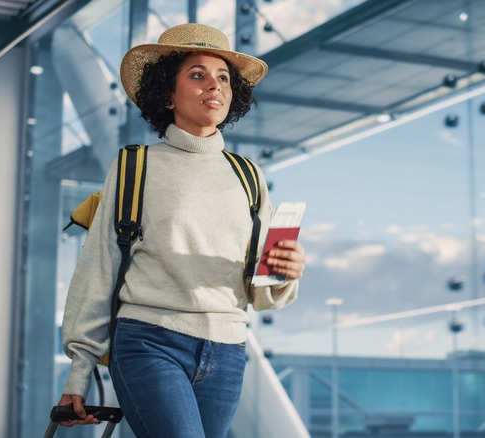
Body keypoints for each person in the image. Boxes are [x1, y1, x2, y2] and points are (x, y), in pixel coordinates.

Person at [57, 23, 305, 438]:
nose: (216, 85)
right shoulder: (134, 166)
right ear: (168, 95)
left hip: (227, 349)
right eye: (198, 74)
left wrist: (286, 272)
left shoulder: (248, 176)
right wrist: (78, 373)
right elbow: (99, 266)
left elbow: (261, 292)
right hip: (149, 342)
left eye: (224, 77)